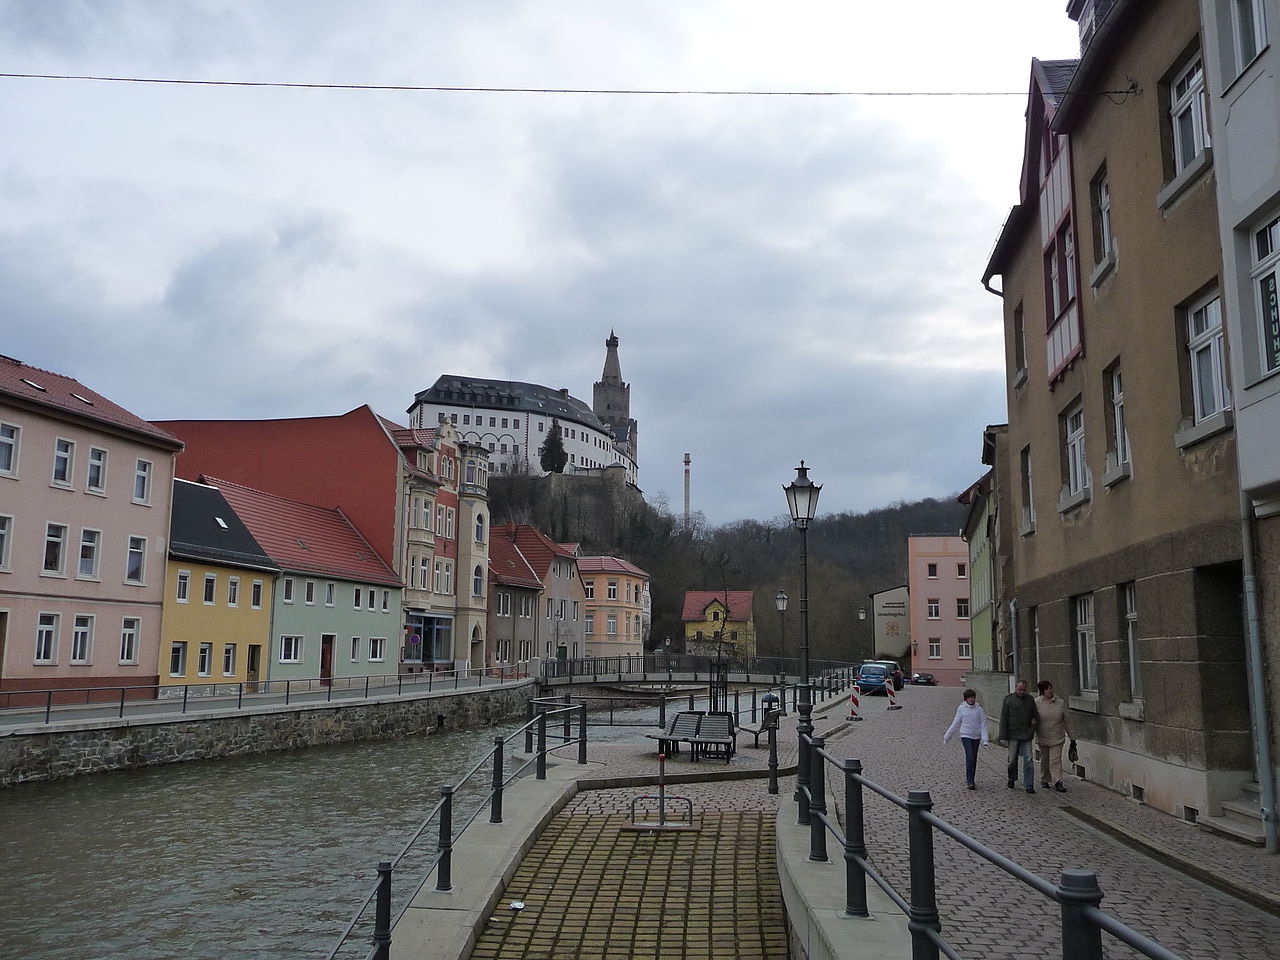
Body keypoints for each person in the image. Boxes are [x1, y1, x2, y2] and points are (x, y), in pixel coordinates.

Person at [942, 689, 989, 789]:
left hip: (976, 736)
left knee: (974, 758)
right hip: (965, 735)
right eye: (969, 697)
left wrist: (985, 739)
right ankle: (970, 781)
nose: (971, 699)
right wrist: (947, 737)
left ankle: (972, 778)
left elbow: (983, 724)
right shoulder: (961, 709)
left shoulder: (979, 710)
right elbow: (955, 723)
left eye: (973, 697)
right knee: (970, 756)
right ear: (966, 699)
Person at [999, 679, 1039, 793]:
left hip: (1026, 734)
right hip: (1013, 734)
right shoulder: (1009, 700)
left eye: (1024, 690)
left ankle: (1029, 784)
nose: (1022, 692)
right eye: (1020, 689)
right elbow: (1004, 718)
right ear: (1016, 688)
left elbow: (1035, 716)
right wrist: (1003, 735)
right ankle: (1011, 778)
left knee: (1029, 760)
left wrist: (1033, 728)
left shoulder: (1030, 700)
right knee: (1012, 759)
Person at [1035, 680, 1072, 792]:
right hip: (1042, 736)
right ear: (1042, 691)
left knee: (1055, 760)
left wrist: (1072, 737)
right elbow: (1032, 719)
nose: (1050, 691)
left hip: (1057, 736)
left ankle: (1057, 781)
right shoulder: (1037, 703)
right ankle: (1045, 778)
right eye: (1047, 689)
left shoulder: (1060, 703)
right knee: (1044, 759)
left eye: (1050, 688)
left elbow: (1068, 721)